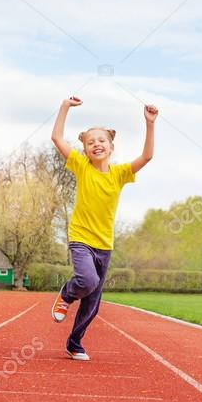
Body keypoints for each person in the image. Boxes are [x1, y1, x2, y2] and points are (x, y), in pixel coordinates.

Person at [49, 96, 156, 361]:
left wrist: (149, 123)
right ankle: (66, 293)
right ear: (84, 150)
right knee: (87, 281)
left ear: (110, 146)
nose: (96, 145)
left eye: (101, 141)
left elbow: (147, 156)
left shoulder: (120, 174)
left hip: (104, 244)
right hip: (81, 239)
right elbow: (57, 139)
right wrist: (64, 108)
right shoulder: (82, 167)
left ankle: (75, 344)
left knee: (93, 303)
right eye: (90, 142)